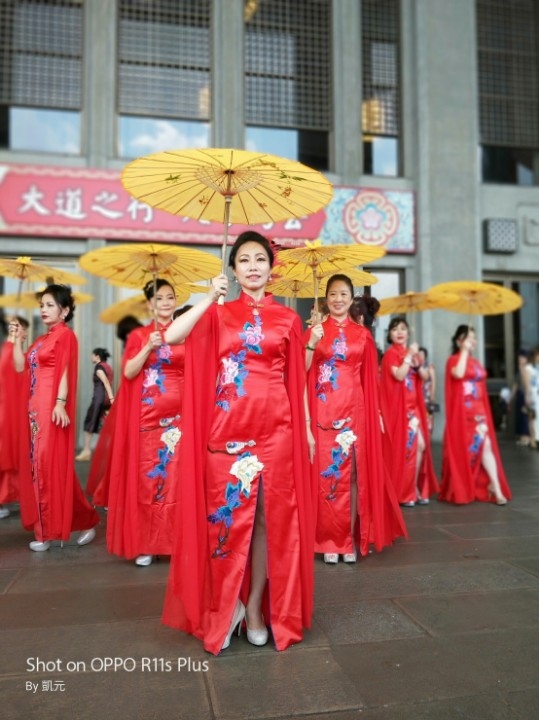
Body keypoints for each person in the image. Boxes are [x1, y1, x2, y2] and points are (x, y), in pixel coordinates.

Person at [162, 230, 315, 655]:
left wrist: (303, 428)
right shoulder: (218, 312)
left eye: (259, 259)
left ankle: (254, 608)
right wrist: (209, 299)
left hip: (277, 432)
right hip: (228, 431)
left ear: (271, 268)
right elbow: (172, 337)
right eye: (244, 259)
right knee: (227, 521)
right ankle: (224, 604)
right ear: (233, 269)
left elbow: (296, 381)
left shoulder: (288, 319)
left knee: (269, 521)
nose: (252, 266)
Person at [305, 277, 406, 565]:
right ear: (325, 299)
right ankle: (327, 540)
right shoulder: (314, 332)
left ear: (351, 299)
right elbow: (300, 371)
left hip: (355, 411)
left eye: (344, 294)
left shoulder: (362, 335)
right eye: (333, 294)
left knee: (351, 475)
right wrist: (310, 344)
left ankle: (346, 539)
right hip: (322, 411)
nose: (338, 298)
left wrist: (375, 414)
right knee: (327, 477)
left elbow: (370, 381)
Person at [10, 284, 98, 551]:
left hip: (51, 411)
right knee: (43, 470)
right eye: (42, 306)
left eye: (50, 305)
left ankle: (46, 532)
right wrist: (17, 340)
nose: (44, 310)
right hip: (34, 411)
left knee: (48, 468)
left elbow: (65, 371)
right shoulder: (40, 340)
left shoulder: (65, 336)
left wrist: (60, 403)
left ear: (65, 310)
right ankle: (84, 520)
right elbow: (19, 366)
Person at [104, 279, 185, 567]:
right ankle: (148, 543)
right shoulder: (140, 335)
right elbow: (127, 372)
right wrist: (147, 348)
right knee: (149, 482)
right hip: (148, 419)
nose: (165, 302)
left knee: (176, 481)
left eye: (170, 297)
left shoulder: (183, 332)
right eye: (159, 298)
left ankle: (174, 541)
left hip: (180, 420)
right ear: (149, 304)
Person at [438, 325, 511, 505]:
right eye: (467, 338)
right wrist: (463, 351)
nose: (472, 341)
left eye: (473, 338)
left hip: (479, 413)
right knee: (467, 451)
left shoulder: (476, 363)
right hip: (463, 415)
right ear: (458, 341)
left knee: (485, 446)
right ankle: (465, 485)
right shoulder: (453, 360)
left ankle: (497, 488)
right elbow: (459, 374)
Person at [380, 317, 439, 507]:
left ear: (408, 333)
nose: (399, 332)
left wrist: (418, 361)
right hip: (401, 411)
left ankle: (412, 487)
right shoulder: (390, 355)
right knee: (409, 450)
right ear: (390, 334)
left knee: (419, 447)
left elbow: (423, 376)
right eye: (395, 329)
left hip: (414, 409)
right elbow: (399, 375)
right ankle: (407, 491)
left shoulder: (411, 354)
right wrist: (408, 357)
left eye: (403, 329)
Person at [0, 316, 29, 518]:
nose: (25, 334)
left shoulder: (11, 351)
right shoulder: (8, 350)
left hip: (11, 409)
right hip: (7, 409)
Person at [75, 348, 114, 462]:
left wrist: (112, 398)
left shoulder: (99, 367)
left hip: (99, 399)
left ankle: (87, 451)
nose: (91, 357)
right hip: (105, 399)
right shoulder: (108, 367)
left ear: (97, 356)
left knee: (90, 421)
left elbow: (106, 382)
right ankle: (108, 450)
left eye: (92, 355)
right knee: (103, 422)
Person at [513, 349, 531, 446]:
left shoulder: (528, 369)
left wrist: (528, 395)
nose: (520, 359)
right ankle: (522, 435)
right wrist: (511, 397)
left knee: (525, 416)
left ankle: (527, 437)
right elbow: (516, 384)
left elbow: (526, 383)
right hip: (520, 394)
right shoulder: (519, 369)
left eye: (522, 358)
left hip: (526, 394)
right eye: (519, 358)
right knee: (519, 414)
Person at [417, 347, 438, 435]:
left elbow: (433, 381)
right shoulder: (416, 366)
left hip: (427, 396)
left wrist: (432, 395)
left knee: (428, 416)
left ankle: (428, 435)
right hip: (418, 396)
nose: (420, 356)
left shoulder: (429, 366)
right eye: (418, 354)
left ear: (425, 356)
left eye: (422, 354)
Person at [523, 347, 539, 449]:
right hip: (534, 395)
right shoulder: (528, 368)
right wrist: (528, 395)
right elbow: (527, 384)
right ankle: (534, 440)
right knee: (533, 418)